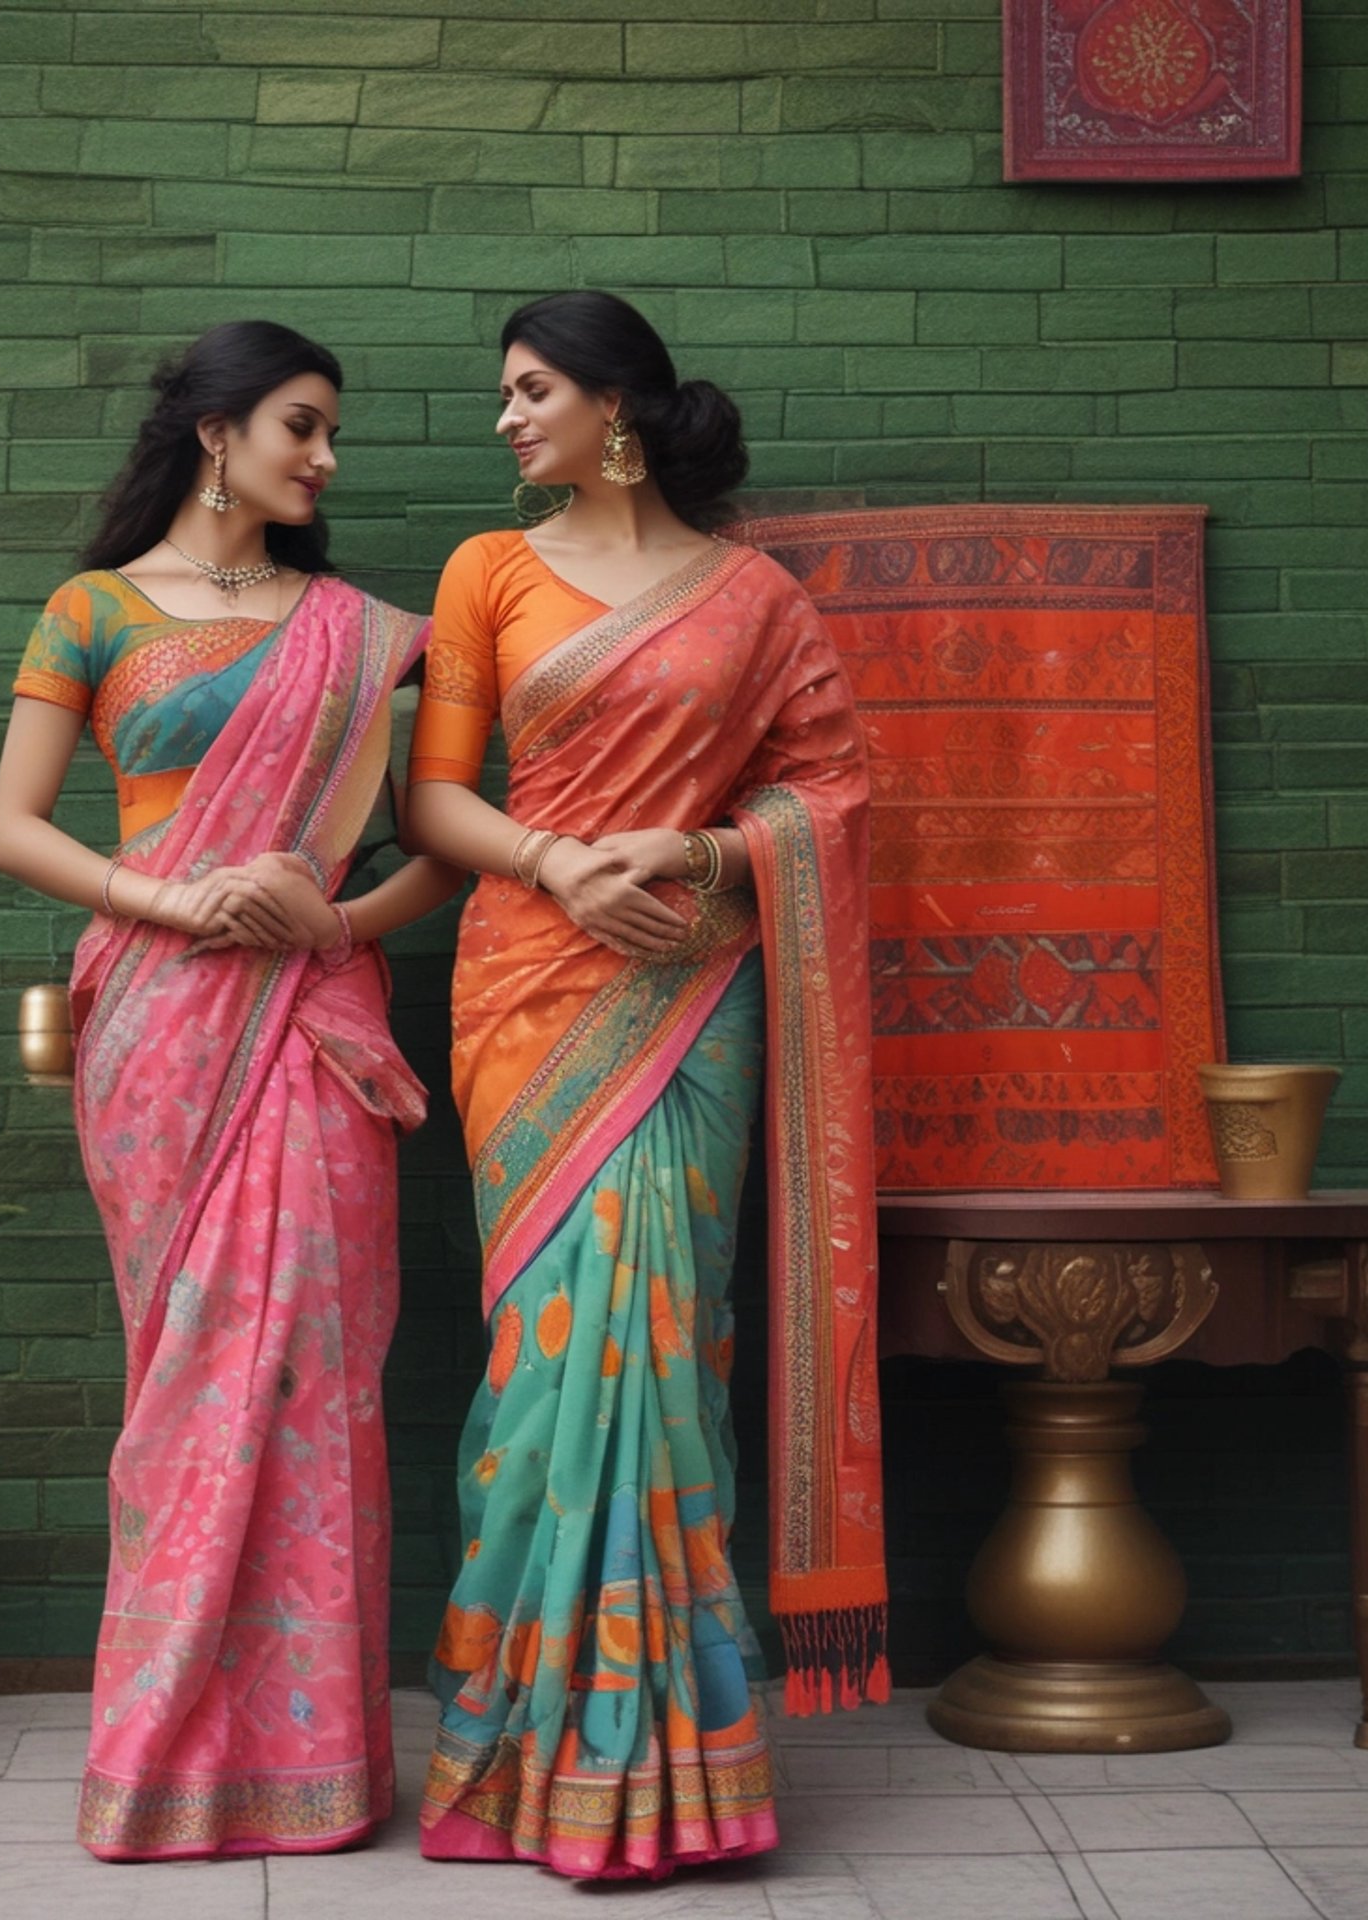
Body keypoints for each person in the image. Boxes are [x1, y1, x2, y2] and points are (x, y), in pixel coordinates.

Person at [404, 291, 886, 1880]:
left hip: (689, 998)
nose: (506, 419)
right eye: (505, 395)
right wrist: (558, 863)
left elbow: (831, 793)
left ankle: (671, 1764)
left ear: (615, 407)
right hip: (531, 997)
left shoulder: (754, 599)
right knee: (551, 1364)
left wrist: (685, 847)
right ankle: (521, 1756)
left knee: (665, 1350)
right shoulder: (487, 572)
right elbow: (435, 803)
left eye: (529, 390)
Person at [0, 320, 459, 1861]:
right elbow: (15, 827)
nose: (325, 460)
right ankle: (163, 1755)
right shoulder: (93, 611)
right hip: (160, 1026)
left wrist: (333, 917)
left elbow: (433, 850)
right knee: (186, 1373)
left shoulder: (360, 632)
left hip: (312, 1027)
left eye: (331, 435)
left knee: (314, 1376)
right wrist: (177, 904)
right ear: (214, 432)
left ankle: (311, 1761)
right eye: (302, 427)